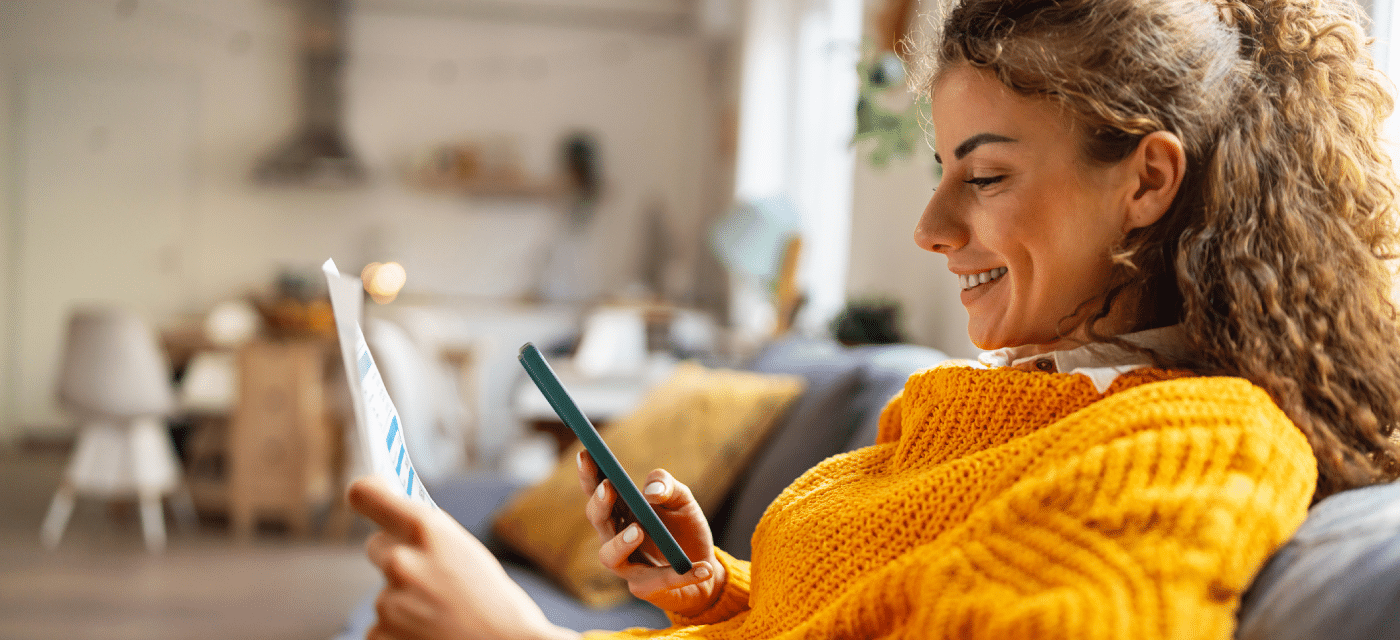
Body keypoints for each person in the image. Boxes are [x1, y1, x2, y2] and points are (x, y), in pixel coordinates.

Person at [346, 0, 1400, 637]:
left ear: (1144, 180)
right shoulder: (984, 403)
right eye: (942, 170)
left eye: (982, 176)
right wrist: (712, 585)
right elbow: (880, 614)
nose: (931, 227)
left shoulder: (1193, 438)